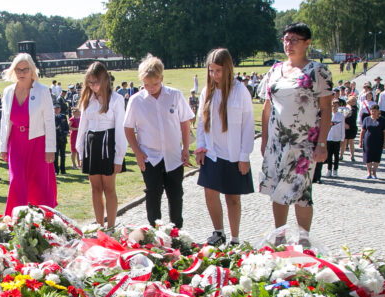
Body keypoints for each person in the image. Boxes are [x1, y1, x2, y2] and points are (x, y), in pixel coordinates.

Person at [257, 23, 333, 246]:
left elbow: (326, 108)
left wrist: (322, 142)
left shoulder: (317, 71)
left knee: (301, 191)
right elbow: (267, 107)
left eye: (294, 40)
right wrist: (264, 139)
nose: (288, 45)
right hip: (277, 142)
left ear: (307, 43)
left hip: (304, 142)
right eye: (286, 40)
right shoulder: (275, 70)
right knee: (276, 188)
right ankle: (279, 236)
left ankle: (303, 239)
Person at [192, 49, 253, 246]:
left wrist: (244, 155)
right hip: (212, 153)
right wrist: (201, 147)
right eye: (211, 70)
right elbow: (201, 122)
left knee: (232, 198)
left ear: (228, 69)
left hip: (234, 154)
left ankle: (235, 238)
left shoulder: (240, 91)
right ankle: (218, 232)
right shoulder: (206, 91)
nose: (214, 75)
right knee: (210, 193)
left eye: (218, 70)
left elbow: (248, 124)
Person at [124, 54, 193, 229]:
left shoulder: (175, 96)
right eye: (147, 85)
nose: (151, 88)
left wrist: (186, 148)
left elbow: (185, 122)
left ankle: (177, 230)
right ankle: (155, 232)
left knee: (176, 193)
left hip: (173, 155)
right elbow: (128, 128)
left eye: (155, 84)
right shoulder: (136, 101)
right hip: (150, 156)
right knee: (153, 193)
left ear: (161, 78)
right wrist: (137, 153)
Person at [0, 53, 57, 215]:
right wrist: (3, 146)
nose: (22, 73)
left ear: (32, 70)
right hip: (16, 142)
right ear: (13, 71)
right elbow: (5, 121)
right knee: (16, 181)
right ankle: (15, 219)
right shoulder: (8, 92)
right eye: (18, 69)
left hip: (38, 142)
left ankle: (42, 219)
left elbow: (49, 121)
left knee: (38, 184)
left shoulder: (42, 91)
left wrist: (50, 148)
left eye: (25, 69)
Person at [74, 61, 127, 229]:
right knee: (95, 188)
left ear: (104, 79)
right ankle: (99, 226)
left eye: (95, 82)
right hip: (91, 144)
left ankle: (111, 227)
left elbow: (120, 129)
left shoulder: (116, 100)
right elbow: (82, 126)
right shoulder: (87, 99)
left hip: (108, 143)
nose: (92, 85)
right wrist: (81, 153)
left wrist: (119, 157)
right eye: (89, 82)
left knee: (109, 188)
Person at [360, 104, 385, 179]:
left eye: (375, 111)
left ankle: (374, 172)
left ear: (378, 111)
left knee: (376, 156)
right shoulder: (366, 119)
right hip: (368, 140)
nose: (373, 112)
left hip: (378, 140)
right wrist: (360, 141)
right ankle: (369, 172)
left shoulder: (382, 120)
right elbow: (363, 130)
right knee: (368, 156)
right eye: (372, 111)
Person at [325, 100, 345, 177]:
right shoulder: (328, 114)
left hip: (337, 138)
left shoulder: (341, 116)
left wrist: (342, 139)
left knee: (336, 155)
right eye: (333, 104)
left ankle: (335, 170)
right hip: (329, 138)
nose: (334, 106)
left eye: (336, 105)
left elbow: (342, 127)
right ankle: (329, 169)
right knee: (329, 155)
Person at [53, 105, 69, 175]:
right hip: (55, 139)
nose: (57, 109)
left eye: (58, 108)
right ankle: (56, 170)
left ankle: (63, 170)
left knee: (63, 155)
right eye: (55, 108)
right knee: (55, 155)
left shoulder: (63, 116)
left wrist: (64, 134)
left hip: (62, 139)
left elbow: (66, 127)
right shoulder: (51, 116)